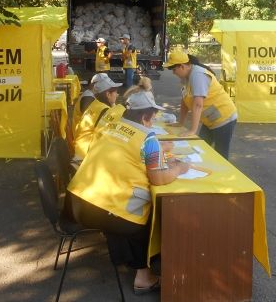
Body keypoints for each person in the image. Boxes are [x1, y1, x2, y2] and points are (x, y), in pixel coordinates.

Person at [66, 91, 190, 295]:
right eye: (153, 118)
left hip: (76, 205)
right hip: (106, 213)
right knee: (148, 212)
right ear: (145, 117)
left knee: (130, 201)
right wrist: (179, 169)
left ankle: (132, 260)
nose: (152, 123)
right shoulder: (148, 139)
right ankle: (144, 277)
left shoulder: (108, 127)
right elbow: (159, 179)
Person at [164, 50, 237, 159]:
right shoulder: (185, 78)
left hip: (224, 118)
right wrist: (180, 122)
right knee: (201, 149)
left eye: (174, 70)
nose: (173, 73)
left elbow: (198, 104)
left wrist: (193, 130)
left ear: (182, 66)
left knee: (220, 154)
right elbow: (185, 100)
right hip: (210, 120)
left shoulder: (197, 75)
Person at [73, 76, 121, 160]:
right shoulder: (104, 110)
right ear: (108, 94)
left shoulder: (95, 104)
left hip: (80, 149)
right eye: (115, 92)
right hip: (85, 158)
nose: (117, 95)